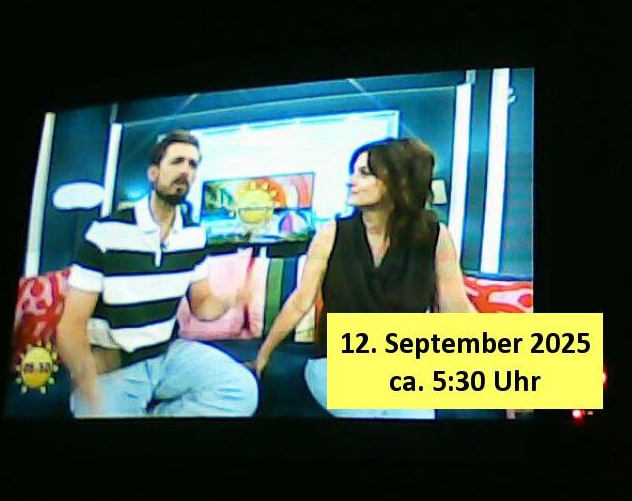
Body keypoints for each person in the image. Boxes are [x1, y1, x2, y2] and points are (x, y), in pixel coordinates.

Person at [249, 137, 477, 419]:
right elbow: (300, 301)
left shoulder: (435, 236)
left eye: (364, 173)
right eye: (353, 172)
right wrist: (264, 354)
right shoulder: (331, 233)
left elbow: (457, 308)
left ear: (396, 182)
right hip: (335, 362)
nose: (350, 181)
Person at [56, 130, 259, 418]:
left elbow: (202, 306)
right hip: (117, 365)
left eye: (193, 164)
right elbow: (70, 326)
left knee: (242, 390)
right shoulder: (106, 233)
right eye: (177, 161)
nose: (186, 171)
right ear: (153, 173)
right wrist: (86, 379)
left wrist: (232, 299)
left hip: (167, 354)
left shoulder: (194, 235)